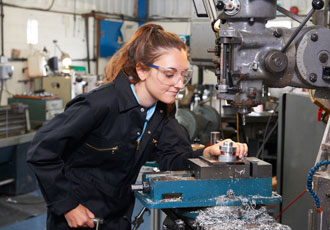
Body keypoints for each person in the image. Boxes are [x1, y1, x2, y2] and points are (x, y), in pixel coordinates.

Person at [27, 23, 248, 230]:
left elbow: (173, 159)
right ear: (142, 70)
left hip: (118, 217)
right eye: (170, 74)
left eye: (184, 75)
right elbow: (41, 151)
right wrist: (68, 206)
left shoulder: (162, 112)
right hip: (78, 219)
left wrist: (206, 152)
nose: (180, 85)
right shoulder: (100, 104)